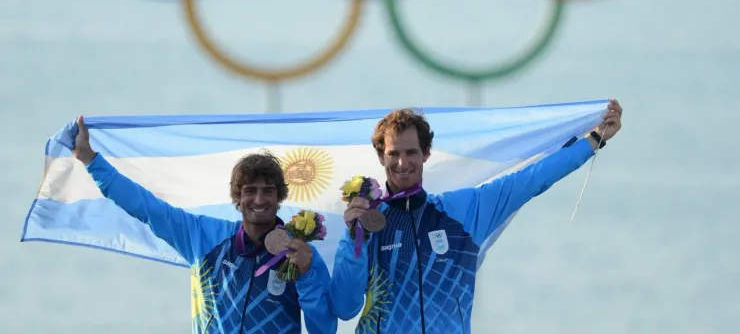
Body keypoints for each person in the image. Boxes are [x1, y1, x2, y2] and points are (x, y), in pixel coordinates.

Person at [329, 100, 623, 333]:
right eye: (393, 154)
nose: (402, 162)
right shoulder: (366, 224)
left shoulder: (464, 210)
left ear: (427, 153)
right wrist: (353, 237)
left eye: (411, 152)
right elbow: (345, 307)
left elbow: (533, 178)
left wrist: (595, 139)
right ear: (381, 157)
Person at [71, 116, 337, 334]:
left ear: (279, 197)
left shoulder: (300, 254)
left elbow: (324, 329)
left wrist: (306, 276)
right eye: (250, 191)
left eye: (268, 191)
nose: (259, 199)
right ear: (237, 197)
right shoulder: (202, 235)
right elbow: (145, 206)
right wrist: (90, 160)